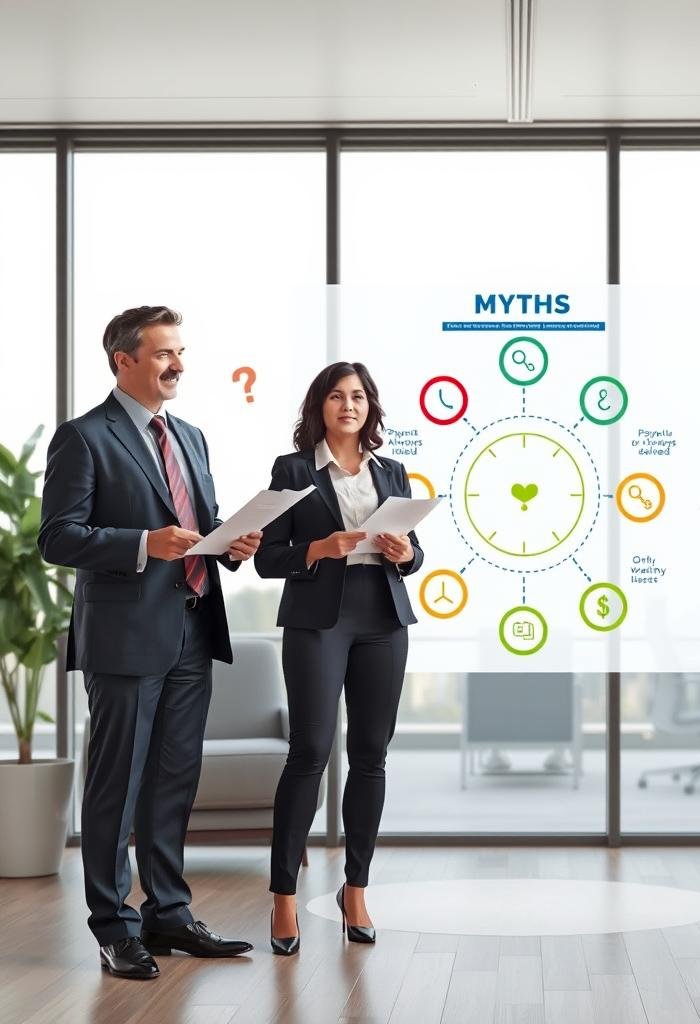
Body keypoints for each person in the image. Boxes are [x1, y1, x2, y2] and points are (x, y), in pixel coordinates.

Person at [37, 306, 262, 980]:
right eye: (164, 353)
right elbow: (58, 537)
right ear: (123, 360)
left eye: (181, 352)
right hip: (126, 638)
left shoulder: (189, 435)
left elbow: (199, 521)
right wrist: (142, 544)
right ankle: (115, 927)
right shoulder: (84, 438)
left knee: (172, 783)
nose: (178, 364)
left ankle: (170, 914)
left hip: (193, 628)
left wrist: (232, 543)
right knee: (116, 784)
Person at [255, 361, 423, 955]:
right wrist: (321, 548)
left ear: (370, 406)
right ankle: (282, 898)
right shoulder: (294, 470)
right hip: (317, 622)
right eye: (336, 396)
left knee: (371, 758)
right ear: (319, 407)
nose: (348, 405)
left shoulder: (393, 471)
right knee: (308, 753)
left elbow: (414, 555)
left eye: (357, 396)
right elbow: (266, 558)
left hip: (383, 620)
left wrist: (405, 554)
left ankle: (356, 890)